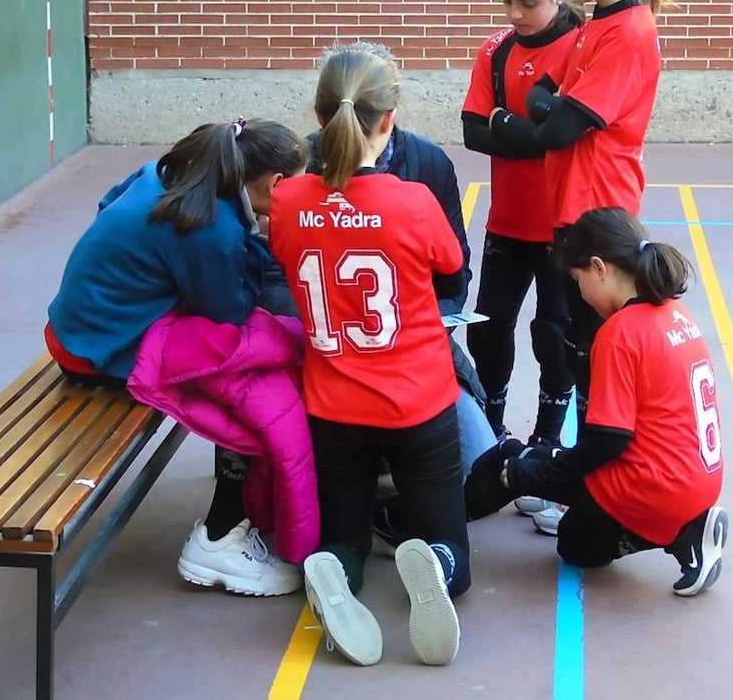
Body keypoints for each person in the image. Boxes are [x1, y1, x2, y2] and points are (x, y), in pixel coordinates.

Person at [46, 118, 311, 597]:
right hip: (102, 350)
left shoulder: (167, 174)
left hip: (72, 330)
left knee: (249, 360)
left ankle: (234, 515)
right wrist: (266, 247)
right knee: (252, 386)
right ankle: (220, 536)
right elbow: (228, 311)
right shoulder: (214, 229)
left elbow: (107, 204)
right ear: (275, 184)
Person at [270, 43, 469, 667]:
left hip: (333, 401)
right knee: (452, 554)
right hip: (418, 398)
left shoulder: (286, 200)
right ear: (389, 119)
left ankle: (335, 565)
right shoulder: (412, 199)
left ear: (321, 115)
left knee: (343, 530)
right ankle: (434, 559)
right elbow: (452, 264)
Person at [478, 0, 670, 532]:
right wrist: (539, 113)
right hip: (572, 212)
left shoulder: (629, 34)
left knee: (593, 355)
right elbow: (546, 107)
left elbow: (556, 127)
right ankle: (577, 478)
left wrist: (537, 114)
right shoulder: (594, 28)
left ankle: (590, 487)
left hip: (598, 215)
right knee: (576, 344)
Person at [465, 207, 728, 597]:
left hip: (654, 486)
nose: (581, 294)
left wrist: (534, 476)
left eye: (577, 280)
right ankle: (684, 525)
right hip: (696, 478)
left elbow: (608, 442)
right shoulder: (676, 312)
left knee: (513, 467)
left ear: (599, 268)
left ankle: (426, 531)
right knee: (575, 538)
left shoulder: (621, 331)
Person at [303, 43, 498, 479]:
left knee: (477, 470)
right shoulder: (299, 170)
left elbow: (455, 272)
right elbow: (272, 277)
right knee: (316, 472)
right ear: (390, 113)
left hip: (412, 345)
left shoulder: (426, 163)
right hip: (329, 349)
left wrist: (423, 323)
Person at [461, 0, 582, 454]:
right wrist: (524, 130)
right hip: (508, 222)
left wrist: (503, 123)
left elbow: (558, 138)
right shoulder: (495, 51)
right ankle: (492, 431)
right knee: (488, 330)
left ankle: (548, 442)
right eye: (506, 0)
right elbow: (471, 130)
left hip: (563, 226)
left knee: (555, 336)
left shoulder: (583, 45)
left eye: (527, 2)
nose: (514, 13)